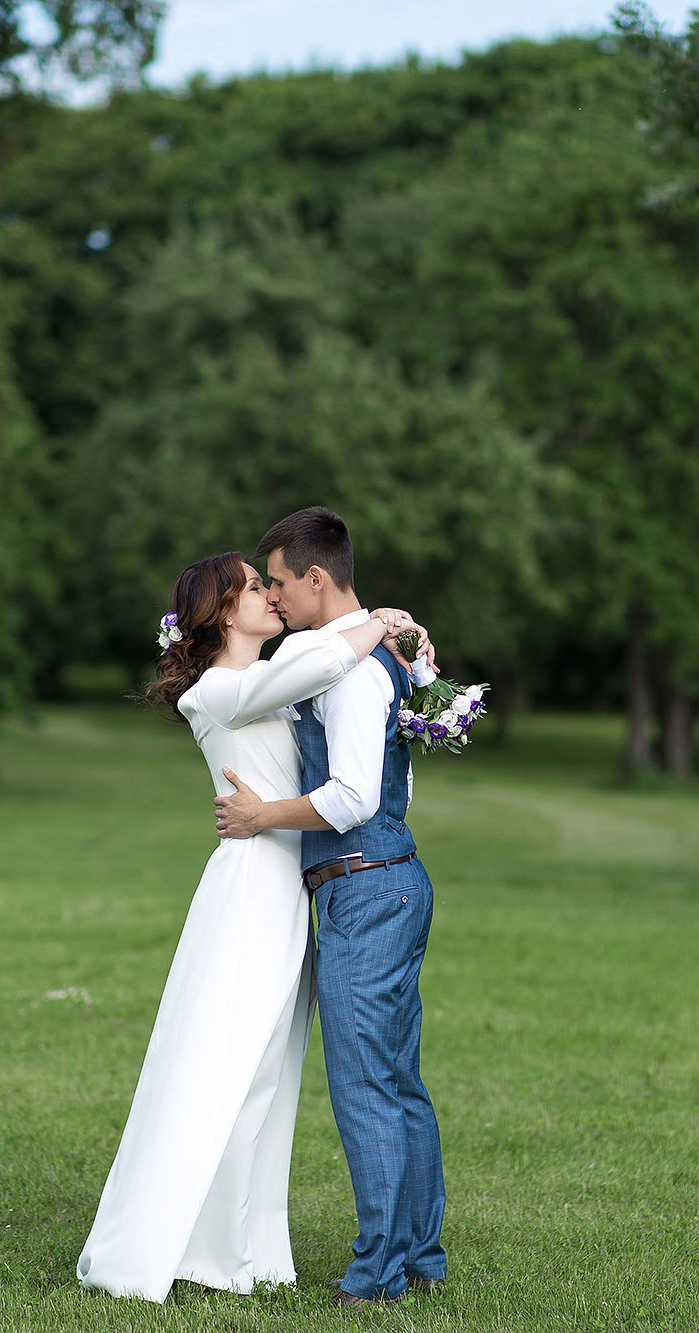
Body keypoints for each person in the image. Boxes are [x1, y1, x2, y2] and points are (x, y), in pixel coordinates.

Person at [74, 551, 429, 1303]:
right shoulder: (214, 693)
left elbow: (328, 686)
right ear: (226, 612)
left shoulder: (274, 680)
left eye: (271, 583)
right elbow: (305, 670)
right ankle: (164, 1242)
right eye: (254, 586)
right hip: (248, 897)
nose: (271, 595)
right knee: (218, 1066)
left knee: (267, 1077)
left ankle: (242, 1245)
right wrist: (378, 619)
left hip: (289, 893)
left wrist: (404, 653)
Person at [212, 507, 447, 1309]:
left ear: (317, 578)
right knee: (397, 1079)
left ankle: (378, 1274)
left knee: (366, 1087)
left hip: (364, 883)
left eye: (277, 582)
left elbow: (352, 795)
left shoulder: (346, 668)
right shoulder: (372, 651)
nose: (272, 599)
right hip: (391, 878)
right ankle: (420, 1254)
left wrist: (258, 816)